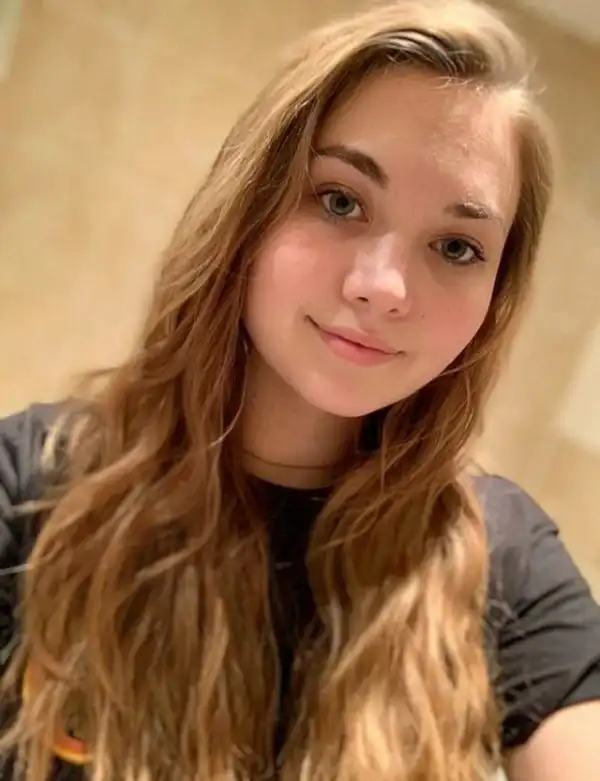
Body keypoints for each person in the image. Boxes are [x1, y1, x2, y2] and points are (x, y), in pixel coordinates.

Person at [0, 0, 599, 779]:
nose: (384, 286)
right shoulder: (33, 485)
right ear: (249, 206)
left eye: (456, 246)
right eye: (340, 200)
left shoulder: (504, 557)